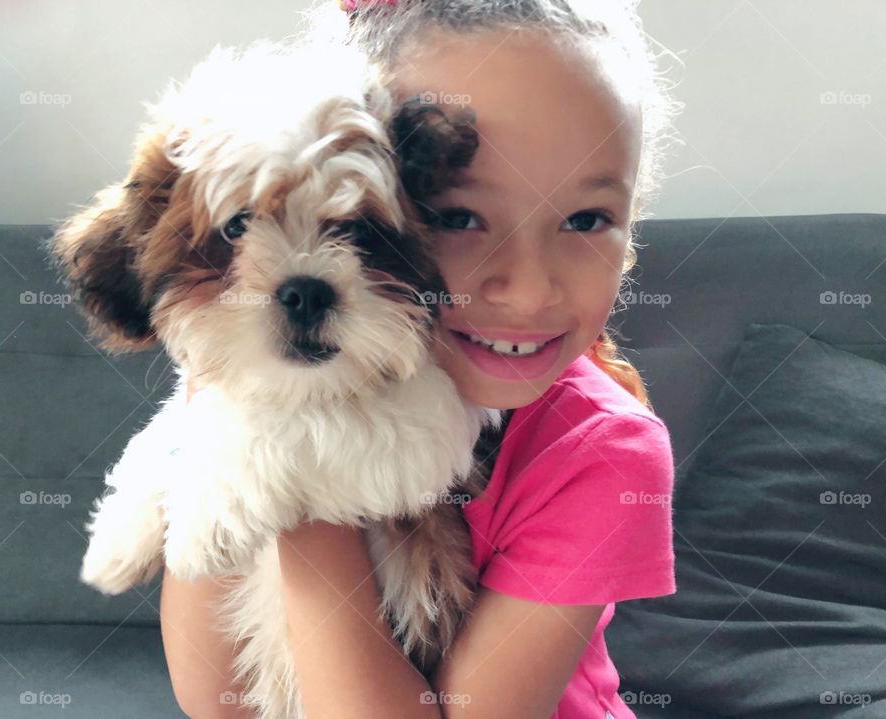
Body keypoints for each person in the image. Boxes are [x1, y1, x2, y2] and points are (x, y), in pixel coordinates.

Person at [161, 1, 684, 717]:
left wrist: (303, 481)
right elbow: (217, 698)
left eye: (587, 220)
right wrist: (253, 419)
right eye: (456, 218)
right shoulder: (263, 362)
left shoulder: (605, 455)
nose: (529, 289)